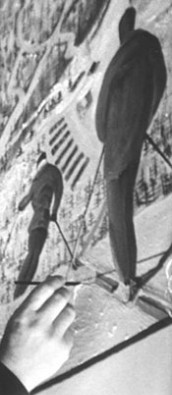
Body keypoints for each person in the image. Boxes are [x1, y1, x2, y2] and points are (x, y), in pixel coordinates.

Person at [95, 7, 167, 289]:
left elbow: (105, 99)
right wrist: (142, 123)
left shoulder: (125, 57)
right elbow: (158, 88)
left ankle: (126, 276)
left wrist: (105, 131)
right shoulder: (151, 53)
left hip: (116, 144)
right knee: (123, 207)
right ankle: (128, 274)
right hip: (134, 139)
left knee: (118, 211)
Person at [14, 153, 64, 299]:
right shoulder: (51, 172)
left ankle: (20, 289)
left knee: (32, 253)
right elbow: (58, 192)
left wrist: (22, 205)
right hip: (42, 220)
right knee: (34, 254)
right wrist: (54, 212)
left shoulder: (40, 176)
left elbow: (28, 197)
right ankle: (21, 289)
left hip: (38, 220)